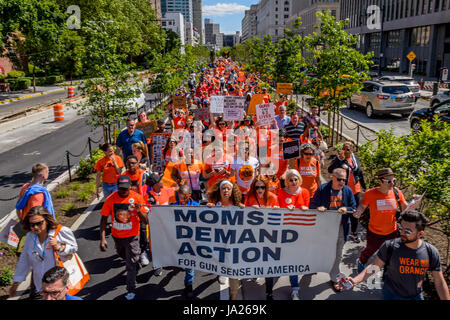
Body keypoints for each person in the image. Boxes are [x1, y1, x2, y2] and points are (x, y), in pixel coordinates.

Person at [348, 210, 450, 300]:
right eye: (401, 228)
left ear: (420, 234)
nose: (402, 233)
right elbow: (375, 266)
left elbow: (439, 282)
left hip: (416, 296)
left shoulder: (431, 252)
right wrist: (355, 280)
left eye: (408, 231)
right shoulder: (390, 246)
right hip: (391, 296)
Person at [9, 206, 78, 299]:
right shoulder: (30, 237)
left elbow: (74, 248)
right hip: (42, 286)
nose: (35, 227)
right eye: (32, 224)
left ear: (46, 220)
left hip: (59, 286)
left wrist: (59, 247)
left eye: (39, 223)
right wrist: (16, 284)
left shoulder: (61, 232)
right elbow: (24, 260)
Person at [99, 175, 149, 300]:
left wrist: (138, 211)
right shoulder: (111, 199)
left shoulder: (137, 197)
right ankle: (135, 264)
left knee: (130, 264)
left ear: (130, 187)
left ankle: (131, 289)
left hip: (132, 237)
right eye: (121, 189)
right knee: (124, 256)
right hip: (117, 237)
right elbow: (104, 218)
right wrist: (103, 238)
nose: (123, 191)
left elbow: (146, 220)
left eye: (126, 189)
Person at [353, 168, 408, 273]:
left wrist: (415, 202)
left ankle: (389, 272)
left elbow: (406, 207)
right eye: (388, 181)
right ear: (380, 181)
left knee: (391, 253)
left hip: (392, 232)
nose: (392, 183)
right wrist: (358, 212)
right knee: (369, 251)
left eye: (393, 180)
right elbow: (362, 206)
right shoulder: (370, 194)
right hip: (375, 232)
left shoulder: (396, 192)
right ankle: (361, 262)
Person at [310, 168, 356, 292]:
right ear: (332, 177)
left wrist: (346, 208)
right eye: (339, 179)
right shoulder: (322, 189)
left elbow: (353, 206)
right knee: (320, 249)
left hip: (341, 227)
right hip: (324, 227)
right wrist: (318, 208)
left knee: (338, 253)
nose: (342, 182)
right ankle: (314, 266)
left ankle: (334, 277)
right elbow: (312, 205)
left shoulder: (347, 190)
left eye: (344, 180)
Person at [206, 179, 245, 300]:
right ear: (220, 190)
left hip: (233, 242)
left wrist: (244, 209)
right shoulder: (214, 204)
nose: (226, 191)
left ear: (232, 190)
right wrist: (209, 209)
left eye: (228, 188)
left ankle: (233, 296)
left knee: (233, 270)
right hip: (219, 241)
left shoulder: (237, 205)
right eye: (223, 188)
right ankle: (222, 272)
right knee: (221, 262)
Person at [277, 169, 310, 300]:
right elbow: (276, 210)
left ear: (299, 180)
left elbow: (309, 209)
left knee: (294, 260)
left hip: (300, 232)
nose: (293, 181)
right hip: (284, 231)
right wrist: (284, 210)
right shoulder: (280, 192)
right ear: (286, 181)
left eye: (296, 179)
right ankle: (293, 286)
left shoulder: (305, 192)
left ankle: (295, 289)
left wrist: (305, 209)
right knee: (286, 258)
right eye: (290, 179)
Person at [328, 141, 366, 243]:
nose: (345, 150)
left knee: (355, 212)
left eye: (348, 149)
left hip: (355, 189)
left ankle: (353, 233)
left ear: (352, 150)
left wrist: (365, 187)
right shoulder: (339, 159)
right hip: (342, 190)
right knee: (342, 211)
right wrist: (339, 160)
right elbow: (330, 169)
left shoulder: (355, 159)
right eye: (344, 148)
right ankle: (337, 233)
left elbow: (360, 173)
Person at [172, 184, 200, 299]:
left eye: (183, 195)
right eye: (179, 195)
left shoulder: (196, 206)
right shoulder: (174, 206)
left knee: (189, 262)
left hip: (191, 239)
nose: (181, 197)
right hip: (178, 238)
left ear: (189, 195)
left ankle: (189, 284)